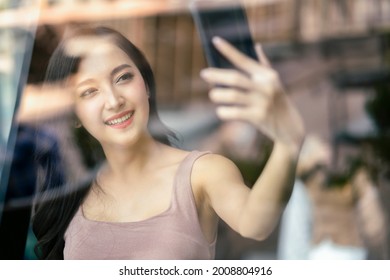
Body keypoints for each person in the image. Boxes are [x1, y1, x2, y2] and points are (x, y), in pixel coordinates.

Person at [31, 26, 305, 260]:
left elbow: (255, 222)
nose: (114, 101)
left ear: (146, 85)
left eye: (123, 77)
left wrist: (288, 144)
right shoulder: (71, 191)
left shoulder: (202, 173)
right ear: (74, 113)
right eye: (90, 91)